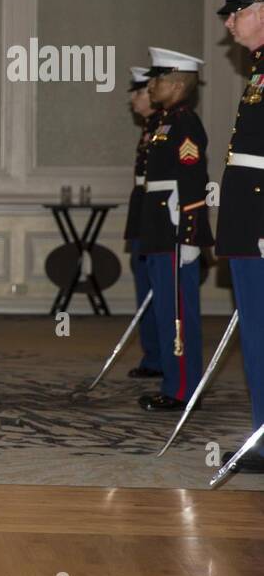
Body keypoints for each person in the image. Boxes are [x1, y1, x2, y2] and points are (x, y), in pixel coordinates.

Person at [136, 47, 211, 413]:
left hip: (175, 231)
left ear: (179, 83)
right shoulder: (166, 122)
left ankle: (183, 388)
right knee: (167, 309)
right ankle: (173, 379)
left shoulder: (185, 123)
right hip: (159, 230)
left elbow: (194, 179)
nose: (151, 86)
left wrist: (191, 236)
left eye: (159, 79)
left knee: (178, 313)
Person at [214, 0, 264, 470]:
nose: (229, 23)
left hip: (260, 221)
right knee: (256, 332)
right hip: (249, 223)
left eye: (237, 12)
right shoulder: (259, 71)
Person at [123, 66, 163, 380]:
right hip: (143, 216)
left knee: (157, 293)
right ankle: (153, 354)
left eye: (138, 93)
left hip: (156, 221)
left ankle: (159, 356)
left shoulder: (168, 126)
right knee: (145, 289)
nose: (133, 100)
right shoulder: (152, 127)